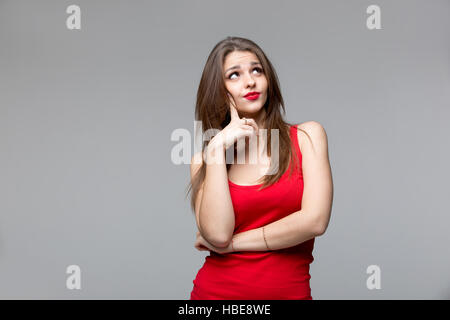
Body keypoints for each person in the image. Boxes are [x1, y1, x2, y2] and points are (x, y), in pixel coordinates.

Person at [186, 36, 333, 300]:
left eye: (257, 70)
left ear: (269, 80)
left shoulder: (308, 137)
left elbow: (315, 221)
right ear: (219, 91)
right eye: (234, 75)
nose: (250, 81)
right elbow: (218, 235)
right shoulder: (204, 161)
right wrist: (217, 151)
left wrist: (234, 245)